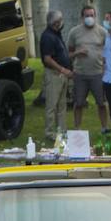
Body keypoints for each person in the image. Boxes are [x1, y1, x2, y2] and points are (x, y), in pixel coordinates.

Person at [66, 5, 109, 129]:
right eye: (87, 15)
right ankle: (77, 128)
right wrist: (77, 53)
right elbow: (68, 53)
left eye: (92, 15)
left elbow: (109, 52)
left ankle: (104, 127)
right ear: (82, 17)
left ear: (95, 16)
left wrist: (106, 69)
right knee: (78, 103)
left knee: (101, 103)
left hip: (98, 73)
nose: (89, 18)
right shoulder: (74, 32)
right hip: (80, 74)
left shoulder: (102, 32)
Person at [39, 9, 73, 144]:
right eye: (60, 20)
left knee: (62, 105)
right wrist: (63, 70)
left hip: (62, 74)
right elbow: (47, 59)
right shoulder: (47, 36)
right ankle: (49, 132)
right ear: (56, 22)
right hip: (54, 74)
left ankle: (61, 131)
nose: (62, 23)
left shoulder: (57, 34)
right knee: (52, 105)